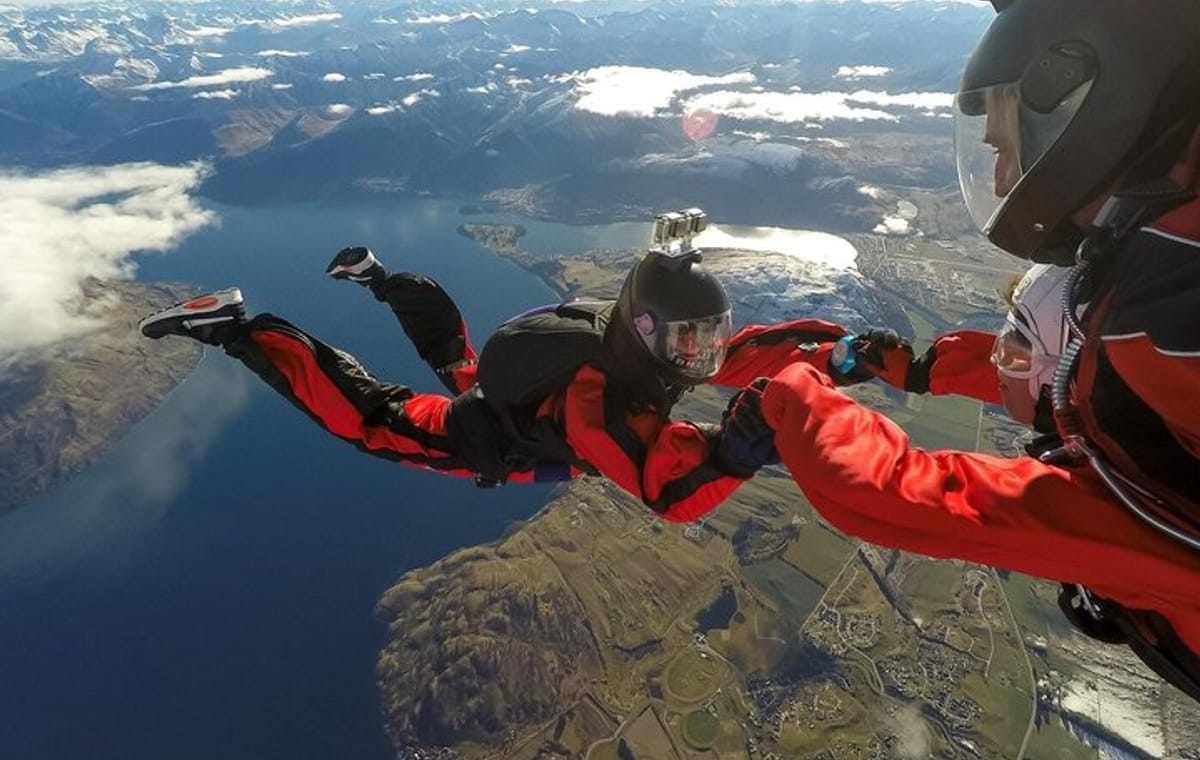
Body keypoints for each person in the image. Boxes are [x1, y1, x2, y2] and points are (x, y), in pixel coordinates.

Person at [728, 0, 1200, 699]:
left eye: (1010, 146)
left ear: (1086, 97)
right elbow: (1057, 382)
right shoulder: (1160, 292)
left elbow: (903, 497)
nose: (1007, 180)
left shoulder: (1164, 309)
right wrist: (925, 372)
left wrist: (792, 399)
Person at [138, 238, 852, 523]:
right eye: (691, 341)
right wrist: (731, 453)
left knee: (460, 364)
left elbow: (743, 352)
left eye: (706, 339)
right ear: (649, 331)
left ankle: (380, 279)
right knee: (373, 420)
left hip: (528, 409)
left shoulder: (635, 343)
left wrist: (840, 354)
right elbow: (665, 487)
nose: (702, 356)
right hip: (502, 436)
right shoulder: (597, 408)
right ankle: (236, 327)